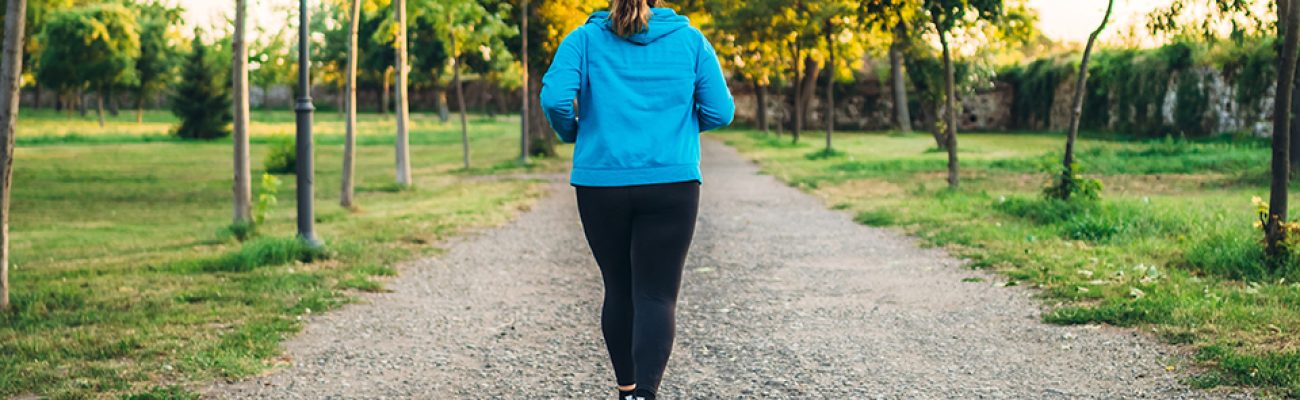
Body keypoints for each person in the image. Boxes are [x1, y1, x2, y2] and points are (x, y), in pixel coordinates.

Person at [539, 0, 734, 398]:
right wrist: (679, 129)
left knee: (618, 286)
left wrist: (572, 133)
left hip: (601, 183)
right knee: (656, 294)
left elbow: (555, 99)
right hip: (672, 182)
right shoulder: (691, 41)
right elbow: (721, 111)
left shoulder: (583, 39)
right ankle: (645, 394)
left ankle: (627, 390)